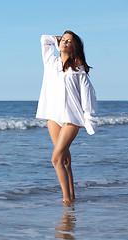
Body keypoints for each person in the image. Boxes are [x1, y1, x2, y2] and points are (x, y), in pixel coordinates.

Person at [36, 30, 98, 203]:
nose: (64, 42)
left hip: (72, 117)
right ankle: (72, 198)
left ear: (74, 47)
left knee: (56, 159)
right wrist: (59, 39)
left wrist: (89, 118)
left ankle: (66, 202)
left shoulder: (78, 69)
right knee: (65, 160)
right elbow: (44, 39)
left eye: (69, 41)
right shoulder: (50, 62)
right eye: (63, 40)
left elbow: (88, 94)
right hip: (53, 116)